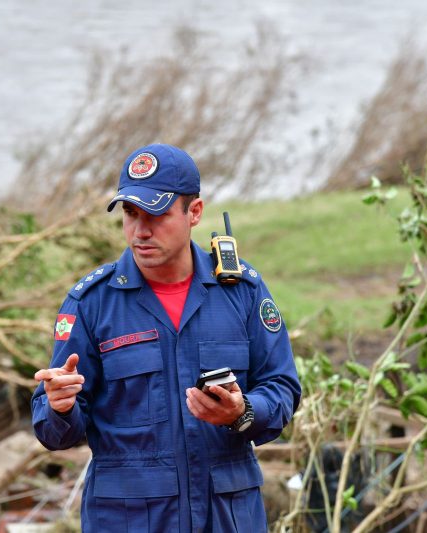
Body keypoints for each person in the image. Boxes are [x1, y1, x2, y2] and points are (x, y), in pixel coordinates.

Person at [31, 143, 301, 533]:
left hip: (228, 518)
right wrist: (58, 407)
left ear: (194, 212)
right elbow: (55, 433)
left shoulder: (241, 291)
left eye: (155, 214)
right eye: (130, 214)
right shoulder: (91, 303)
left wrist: (241, 412)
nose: (140, 231)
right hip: (129, 521)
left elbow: (282, 388)